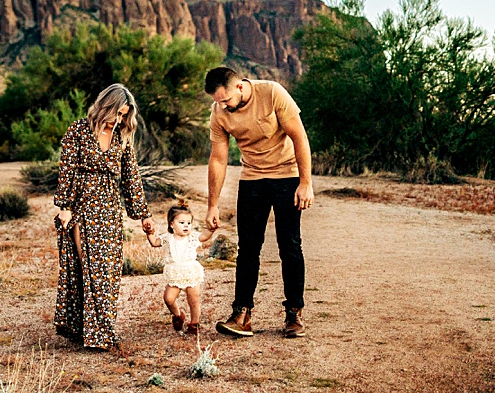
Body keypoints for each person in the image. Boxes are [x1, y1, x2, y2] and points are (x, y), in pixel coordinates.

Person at [204, 66, 314, 339]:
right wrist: (212, 205)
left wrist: (305, 183)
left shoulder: (272, 93)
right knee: (248, 248)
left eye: (226, 100)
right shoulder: (219, 112)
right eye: (217, 101)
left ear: (239, 86)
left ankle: (294, 314)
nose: (223, 106)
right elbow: (218, 158)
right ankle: (242, 314)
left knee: (289, 246)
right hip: (252, 179)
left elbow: (299, 136)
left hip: (286, 176)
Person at [54, 83, 155, 350]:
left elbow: (131, 176)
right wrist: (65, 206)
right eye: (117, 113)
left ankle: (100, 330)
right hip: (82, 207)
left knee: (107, 271)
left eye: (124, 115)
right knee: (87, 269)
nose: (119, 120)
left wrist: (142, 214)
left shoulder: (122, 136)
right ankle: (90, 331)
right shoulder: (78, 130)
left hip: (109, 210)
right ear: (105, 105)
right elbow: (67, 167)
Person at [146, 202, 215, 335]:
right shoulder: (168, 238)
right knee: (168, 298)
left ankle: (194, 323)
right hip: (175, 273)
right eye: (182, 222)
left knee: (193, 300)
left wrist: (211, 229)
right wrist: (150, 233)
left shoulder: (192, 237)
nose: (186, 226)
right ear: (172, 224)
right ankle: (178, 315)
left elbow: (204, 236)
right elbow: (154, 242)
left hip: (190, 271)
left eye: (188, 223)